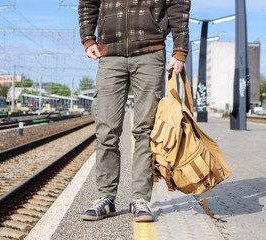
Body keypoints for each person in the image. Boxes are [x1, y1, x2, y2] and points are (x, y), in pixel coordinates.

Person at [79, 0, 190, 222]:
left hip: (150, 52)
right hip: (110, 54)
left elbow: (178, 5)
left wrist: (180, 50)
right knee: (106, 131)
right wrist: (88, 38)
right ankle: (105, 198)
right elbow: (88, 3)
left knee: (145, 131)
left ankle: (140, 199)